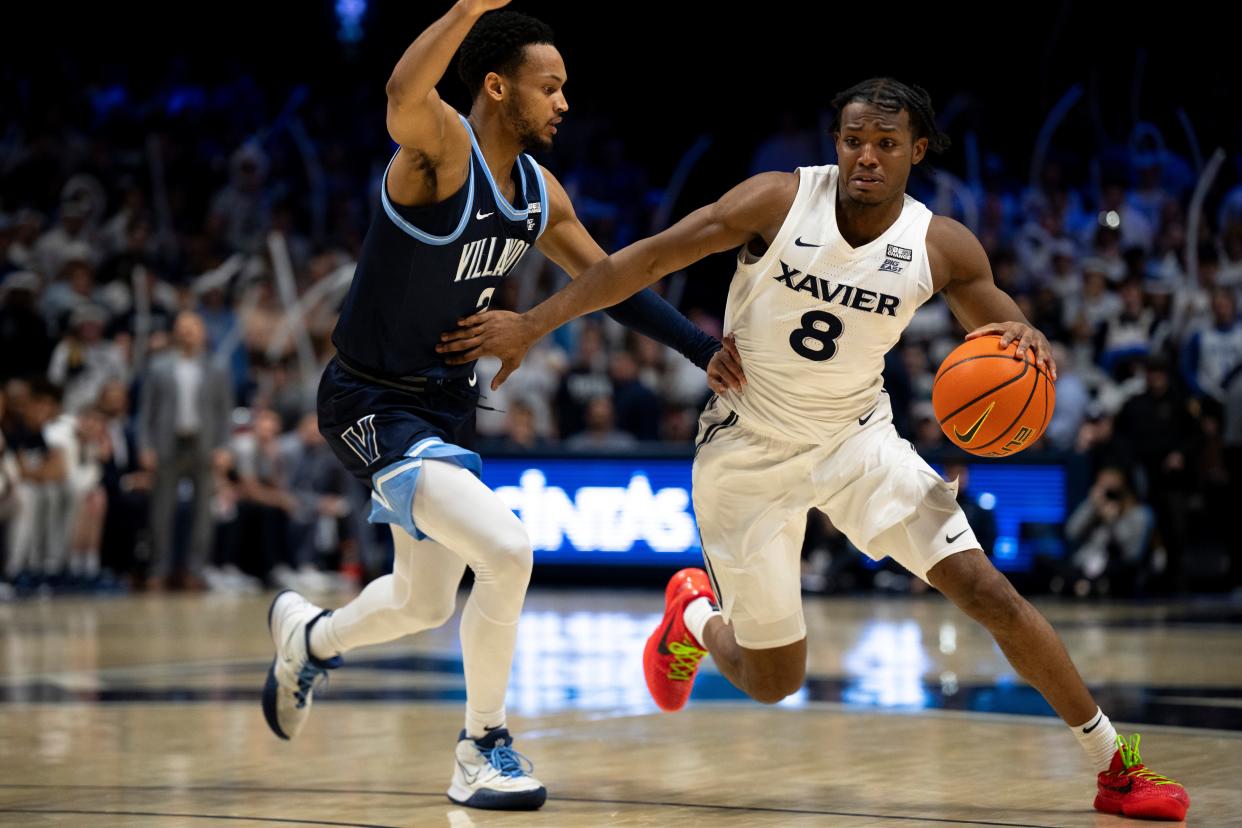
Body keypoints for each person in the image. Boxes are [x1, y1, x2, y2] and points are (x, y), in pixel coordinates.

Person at [438, 77, 1190, 821]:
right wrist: (533, 322)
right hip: (747, 449)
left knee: (988, 591)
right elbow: (643, 261)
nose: (866, 156)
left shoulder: (940, 246)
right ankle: (694, 616)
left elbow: (1003, 327)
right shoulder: (776, 199)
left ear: (915, 151)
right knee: (773, 679)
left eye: (886, 144)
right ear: (837, 143)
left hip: (858, 441)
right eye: (853, 140)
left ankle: (1114, 768)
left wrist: (1028, 334)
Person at [260, 0, 742, 812]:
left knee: (420, 602)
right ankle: (483, 746)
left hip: (444, 409)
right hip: (371, 399)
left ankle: (307, 638)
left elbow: (612, 281)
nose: (563, 102)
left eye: (565, 88)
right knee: (510, 550)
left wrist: (703, 352)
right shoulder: (441, 151)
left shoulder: (538, 193)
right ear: (496, 85)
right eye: (548, 86)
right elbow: (401, 89)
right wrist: (465, 8)